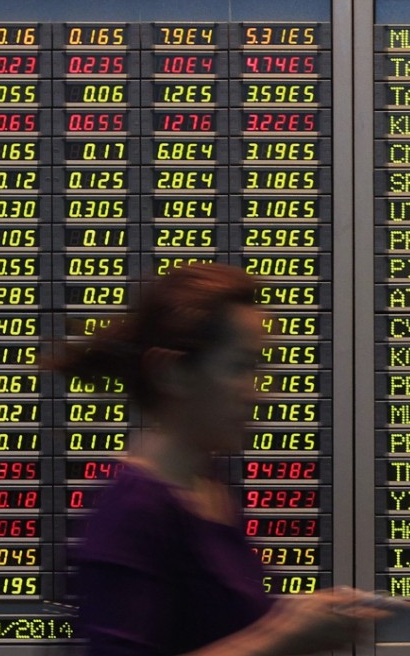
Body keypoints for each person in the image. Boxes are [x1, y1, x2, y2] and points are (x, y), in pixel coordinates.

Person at [49, 264, 392, 655]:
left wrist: (295, 616)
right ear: (173, 371)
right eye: (239, 367)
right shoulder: (133, 514)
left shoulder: (207, 487)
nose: (258, 393)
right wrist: (282, 637)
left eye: (259, 367)